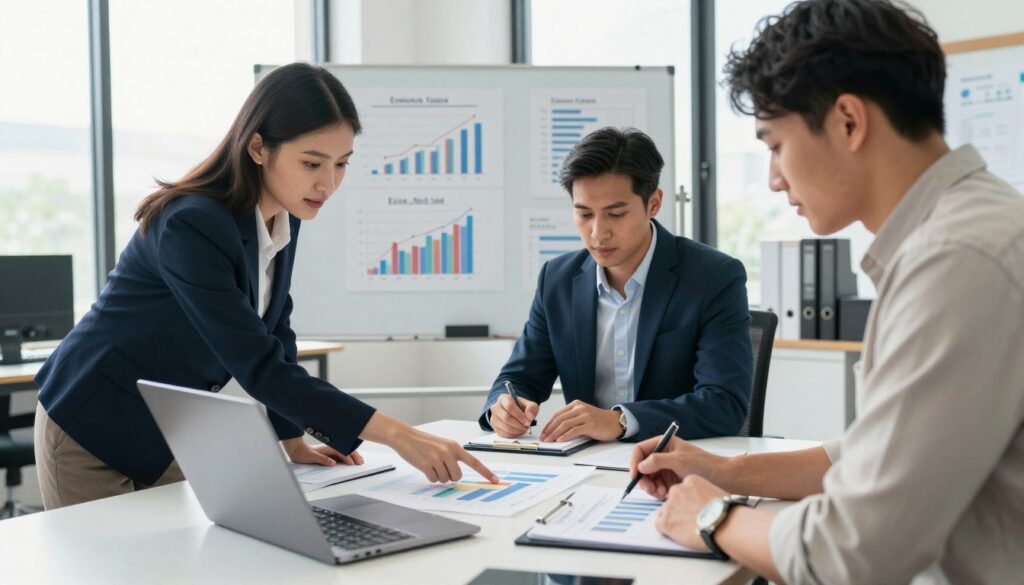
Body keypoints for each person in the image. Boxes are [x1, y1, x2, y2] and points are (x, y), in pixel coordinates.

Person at [630, 1, 1024, 582]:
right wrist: (722, 471)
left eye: (774, 144)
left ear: (848, 121)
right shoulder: (961, 231)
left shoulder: (955, 259)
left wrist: (712, 516)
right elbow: (875, 454)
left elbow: (853, 552)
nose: (774, 178)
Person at [34, 63, 497, 510]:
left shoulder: (283, 215)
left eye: (341, 164)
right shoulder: (191, 223)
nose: (328, 183)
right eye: (312, 162)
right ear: (258, 148)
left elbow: (276, 332)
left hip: (161, 427)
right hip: (88, 421)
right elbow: (257, 363)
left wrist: (291, 435)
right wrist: (401, 436)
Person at [480, 127, 752, 443]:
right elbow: (519, 377)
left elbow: (724, 404)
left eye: (616, 214)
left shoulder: (714, 277)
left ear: (654, 203)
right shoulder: (557, 279)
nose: (597, 233)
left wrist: (622, 421)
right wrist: (504, 407)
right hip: (584, 466)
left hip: (674, 464)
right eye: (584, 214)